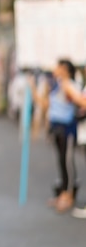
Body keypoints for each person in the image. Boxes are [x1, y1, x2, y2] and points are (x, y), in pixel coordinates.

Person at [33, 59, 84, 213]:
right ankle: (63, 191)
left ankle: (68, 195)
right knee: (61, 161)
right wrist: (33, 88)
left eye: (59, 67)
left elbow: (81, 102)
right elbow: (45, 105)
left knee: (68, 162)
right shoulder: (55, 85)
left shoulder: (68, 85)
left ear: (65, 69)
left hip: (67, 129)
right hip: (57, 129)